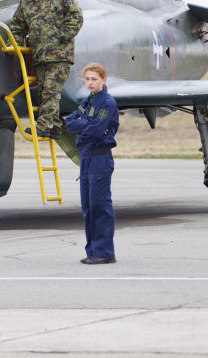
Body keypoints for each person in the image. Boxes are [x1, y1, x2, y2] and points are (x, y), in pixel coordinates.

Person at [8, 0, 83, 140]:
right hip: (39, 56)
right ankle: (55, 127)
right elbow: (17, 26)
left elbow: (76, 19)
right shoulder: (27, 2)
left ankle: (41, 127)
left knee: (51, 91)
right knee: (44, 93)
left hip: (60, 56)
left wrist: (59, 38)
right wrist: (16, 44)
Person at [65, 63, 119, 264]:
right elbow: (70, 123)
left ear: (103, 80)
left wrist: (86, 126)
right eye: (87, 79)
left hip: (99, 157)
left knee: (100, 205)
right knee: (87, 206)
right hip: (86, 157)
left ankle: (104, 252)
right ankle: (92, 251)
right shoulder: (88, 101)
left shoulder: (107, 103)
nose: (90, 83)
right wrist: (87, 125)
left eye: (94, 79)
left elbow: (97, 131)